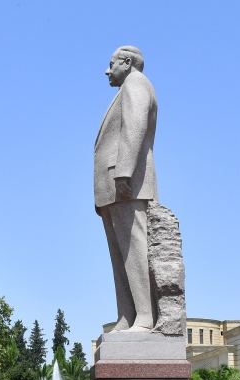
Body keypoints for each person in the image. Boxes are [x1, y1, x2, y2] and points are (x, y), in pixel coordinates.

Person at [94, 45, 158, 331]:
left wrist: (123, 173)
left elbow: (135, 127)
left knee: (134, 250)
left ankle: (144, 316)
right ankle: (127, 315)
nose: (107, 71)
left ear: (127, 62)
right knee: (120, 255)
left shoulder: (136, 84)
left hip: (127, 185)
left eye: (112, 64)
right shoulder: (126, 89)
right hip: (113, 189)